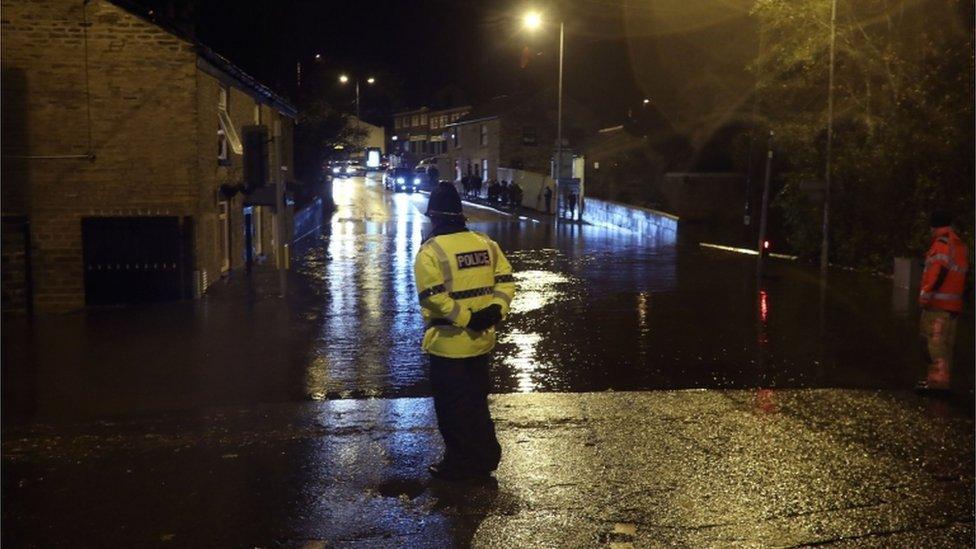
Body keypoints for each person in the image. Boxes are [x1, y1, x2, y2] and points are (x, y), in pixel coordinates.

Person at [414, 182, 517, 481]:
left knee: (452, 410)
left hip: (448, 346)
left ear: (434, 216)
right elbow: (506, 282)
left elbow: (432, 296)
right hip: (482, 343)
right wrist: (493, 312)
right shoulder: (486, 243)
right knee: (476, 404)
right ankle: (485, 458)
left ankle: (460, 466)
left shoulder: (430, 252)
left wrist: (466, 319)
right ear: (461, 214)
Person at [917, 210, 968, 392]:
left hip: (938, 305)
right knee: (946, 345)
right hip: (953, 305)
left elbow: (937, 273)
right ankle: (939, 380)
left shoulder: (941, 244)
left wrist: (926, 296)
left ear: (933, 226)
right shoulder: (959, 244)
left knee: (934, 343)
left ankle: (937, 384)